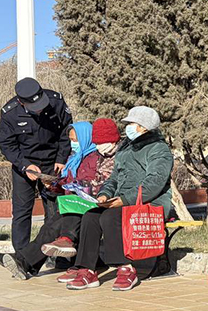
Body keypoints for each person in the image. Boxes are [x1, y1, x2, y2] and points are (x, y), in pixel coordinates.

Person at [0, 118, 120, 281]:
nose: (72, 144)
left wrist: (73, 187)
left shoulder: (95, 158)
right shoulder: (77, 158)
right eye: (71, 140)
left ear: (86, 138)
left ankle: (26, 261)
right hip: (77, 201)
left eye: (75, 140)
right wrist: (54, 184)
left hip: (93, 202)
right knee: (52, 224)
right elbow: (71, 182)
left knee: (56, 223)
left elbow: (98, 183)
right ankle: (25, 262)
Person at [64, 106, 173, 292]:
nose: (127, 127)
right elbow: (114, 178)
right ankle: (86, 270)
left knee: (110, 216)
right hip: (122, 201)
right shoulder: (125, 147)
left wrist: (124, 200)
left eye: (131, 123)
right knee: (91, 216)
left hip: (150, 202)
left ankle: (125, 268)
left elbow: (154, 183)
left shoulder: (159, 149)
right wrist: (104, 194)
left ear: (144, 127)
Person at [0, 77, 72, 252]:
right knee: (22, 211)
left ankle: (52, 252)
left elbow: (66, 131)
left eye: (41, 105)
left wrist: (61, 159)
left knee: (53, 209)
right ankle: (22, 254)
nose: (40, 110)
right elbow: (7, 144)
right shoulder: (10, 113)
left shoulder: (56, 101)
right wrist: (24, 165)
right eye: (34, 107)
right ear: (21, 102)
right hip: (24, 164)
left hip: (52, 163)